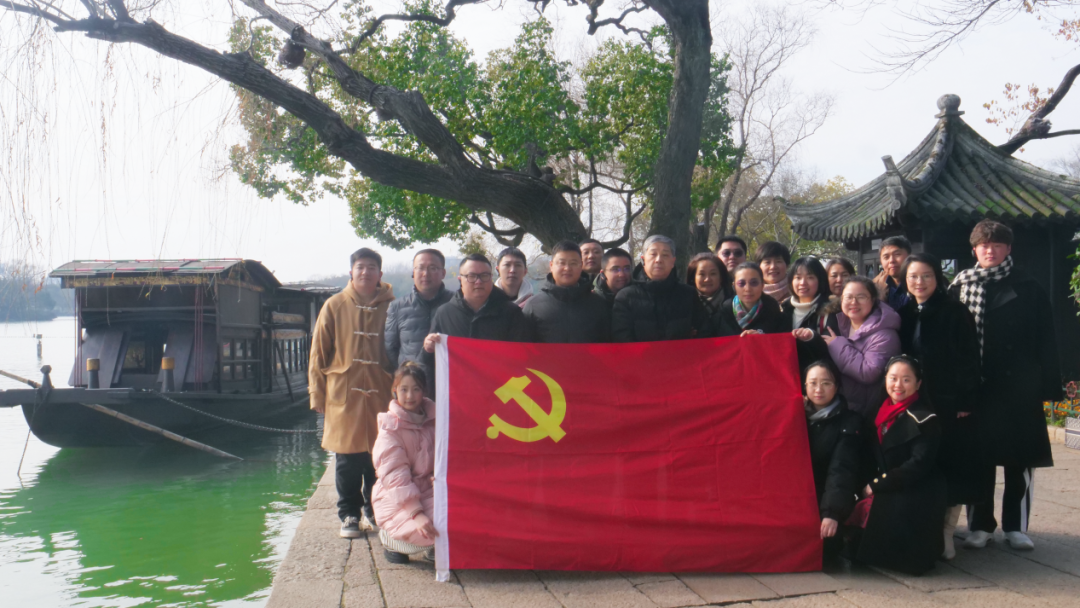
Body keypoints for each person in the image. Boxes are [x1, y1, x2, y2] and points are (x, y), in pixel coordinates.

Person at [948, 220, 1061, 551]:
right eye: (984, 245)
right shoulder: (959, 287)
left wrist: (1048, 386)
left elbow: (1046, 339)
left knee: (1019, 458)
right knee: (979, 459)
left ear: (1008, 249)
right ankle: (979, 525)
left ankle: (1016, 525)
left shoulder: (1029, 287)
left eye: (997, 244)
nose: (990, 250)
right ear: (974, 250)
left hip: (1018, 387)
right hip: (978, 387)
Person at [897, 253, 981, 560]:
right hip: (913, 401)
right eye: (913, 276)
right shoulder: (904, 312)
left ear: (937, 278)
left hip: (948, 401)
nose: (919, 282)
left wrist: (966, 399)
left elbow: (969, 358)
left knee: (949, 464)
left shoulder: (955, 311)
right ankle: (922, 527)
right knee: (918, 462)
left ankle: (947, 531)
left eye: (926, 276)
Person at [309, 248, 396, 538]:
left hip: (381, 391)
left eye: (371, 267)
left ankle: (374, 509)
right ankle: (348, 513)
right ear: (351, 271)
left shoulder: (392, 305)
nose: (365, 272)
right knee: (347, 459)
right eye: (360, 267)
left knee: (379, 457)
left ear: (380, 273)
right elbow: (318, 353)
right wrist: (317, 394)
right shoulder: (334, 305)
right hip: (343, 393)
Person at [847, 356, 946, 576]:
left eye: (906, 380)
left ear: (918, 384)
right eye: (893, 378)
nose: (898, 385)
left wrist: (877, 485)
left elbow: (918, 465)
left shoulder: (926, 419)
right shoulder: (877, 412)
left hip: (917, 486)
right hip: (887, 481)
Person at [372, 363, 437, 564]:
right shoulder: (390, 429)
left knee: (459, 514)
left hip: (430, 490)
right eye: (404, 389)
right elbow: (395, 476)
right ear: (395, 390)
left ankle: (434, 546)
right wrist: (416, 513)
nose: (410, 396)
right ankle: (391, 540)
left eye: (416, 389)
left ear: (424, 391)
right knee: (429, 526)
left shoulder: (438, 421)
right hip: (396, 498)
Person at [803, 360, 861, 559]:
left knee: (823, 549)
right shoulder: (795, 415)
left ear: (836, 386)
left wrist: (831, 513)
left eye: (826, 383)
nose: (819, 389)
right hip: (797, 497)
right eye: (813, 383)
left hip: (825, 500)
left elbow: (841, 469)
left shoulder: (849, 421)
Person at [423, 253, 531, 357]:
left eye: (484, 276)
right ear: (460, 280)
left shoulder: (512, 313)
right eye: (471, 276)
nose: (478, 281)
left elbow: (521, 357)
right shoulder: (445, 314)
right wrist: (427, 350)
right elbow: (428, 363)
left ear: (491, 278)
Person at [822, 276, 901, 418]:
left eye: (861, 297)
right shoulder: (840, 325)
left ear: (873, 300)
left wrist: (838, 346)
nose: (854, 302)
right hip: (842, 409)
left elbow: (868, 372)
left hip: (868, 412)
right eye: (848, 297)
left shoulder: (885, 334)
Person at [612, 235, 702, 342]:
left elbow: (703, 333)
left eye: (665, 255)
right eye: (653, 254)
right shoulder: (626, 297)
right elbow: (622, 338)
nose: (658, 260)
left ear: (673, 262)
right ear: (643, 260)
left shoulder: (688, 294)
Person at [523, 241, 611, 343]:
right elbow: (524, 347)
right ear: (551, 266)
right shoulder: (534, 306)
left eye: (573, 263)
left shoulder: (598, 304)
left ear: (581, 266)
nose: (567, 268)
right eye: (562, 263)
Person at [384, 249, 451, 379]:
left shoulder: (456, 304)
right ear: (413, 273)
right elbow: (390, 348)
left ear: (443, 273)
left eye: (433, 268)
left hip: (449, 381)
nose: (426, 274)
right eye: (420, 268)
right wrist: (406, 374)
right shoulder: (397, 306)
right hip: (413, 383)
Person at [785, 257, 837, 371]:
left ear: (820, 280)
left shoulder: (830, 311)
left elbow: (831, 350)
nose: (803, 283)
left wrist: (812, 337)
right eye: (798, 277)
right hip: (787, 375)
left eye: (810, 277)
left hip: (816, 377)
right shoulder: (783, 309)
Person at [714, 262, 785, 336]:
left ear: (762, 285)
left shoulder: (773, 310)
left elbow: (780, 339)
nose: (748, 289)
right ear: (734, 286)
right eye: (741, 284)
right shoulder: (723, 311)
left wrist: (762, 338)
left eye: (754, 283)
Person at [686, 253, 732, 337]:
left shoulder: (734, 304)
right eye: (702, 274)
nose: (707, 279)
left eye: (713, 274)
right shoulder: (684, 304)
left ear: (721, 277)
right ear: (693, 278)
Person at [873, 236, 911, 310]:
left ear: (909, 257)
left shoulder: (919, 282)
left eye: (897, 254)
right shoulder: (875, 287)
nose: (891, 260)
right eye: (886, 257)